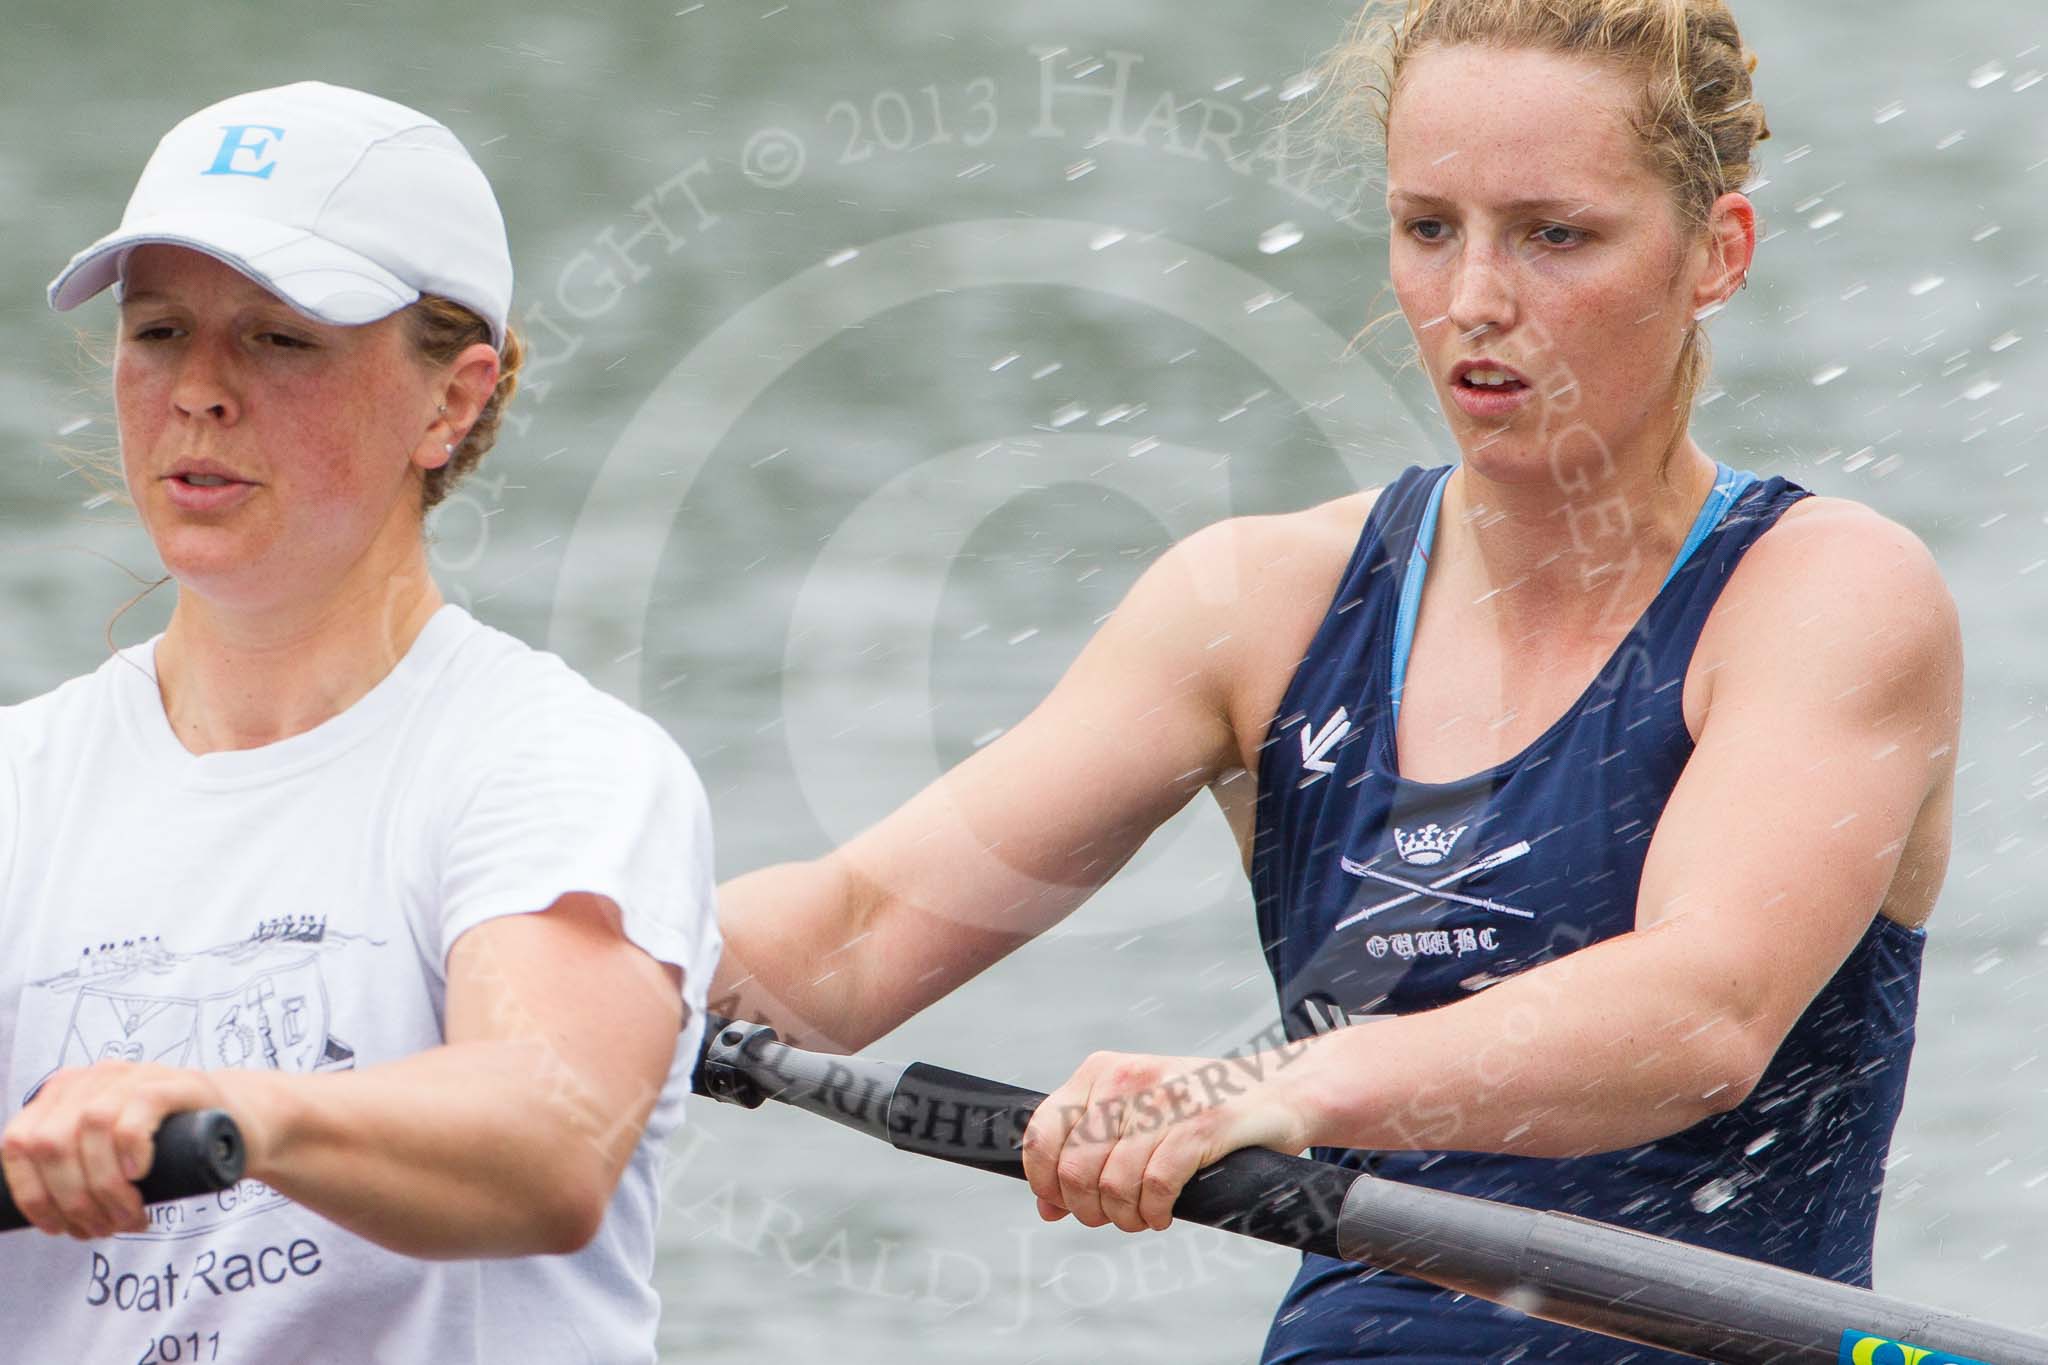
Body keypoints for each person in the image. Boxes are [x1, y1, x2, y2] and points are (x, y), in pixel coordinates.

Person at [711, 0, 1960, 1359]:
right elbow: (839, 944)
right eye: (1430, 228)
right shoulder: (1253, 604)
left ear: (1717, 252)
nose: (1475, 299)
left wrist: (1274, 1085)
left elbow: (1698, 1013)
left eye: (1556, 235)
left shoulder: (1827, 597)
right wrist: (522, 945)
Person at [0, 82, 719, 1362]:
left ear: (450, 402)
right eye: (159, 330)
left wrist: (231, 1110)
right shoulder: (20, 787)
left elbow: (547, 1140)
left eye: (280, 340)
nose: (199, 392)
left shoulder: (554, 766)